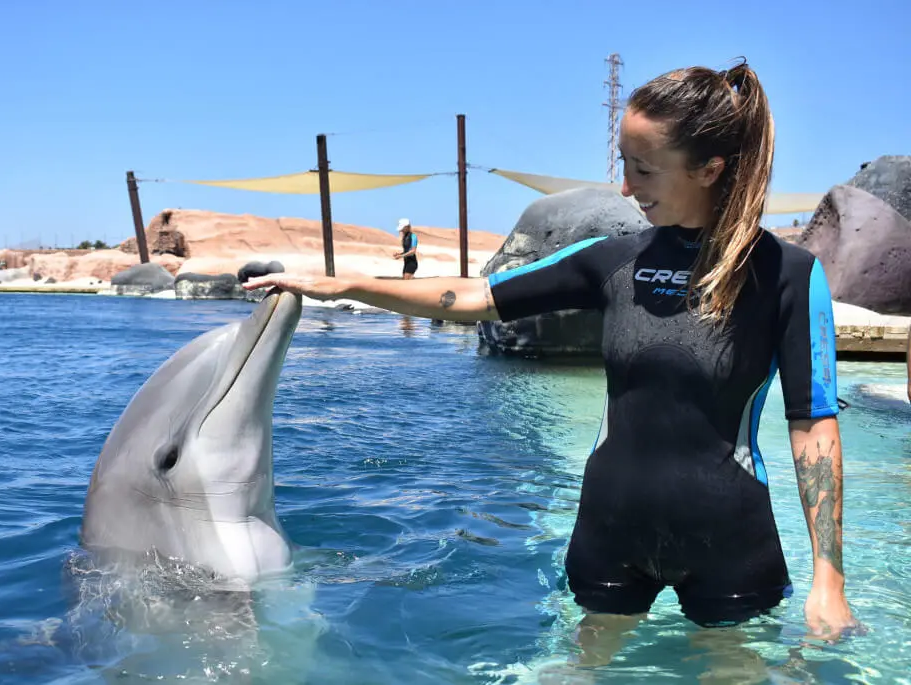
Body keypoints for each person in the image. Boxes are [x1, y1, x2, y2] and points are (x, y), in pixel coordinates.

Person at [244, 60, 858, 642]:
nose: (626, 187)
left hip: (729, 540)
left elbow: (813, 424)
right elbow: (475, 296)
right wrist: (343, 284)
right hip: (610, 532)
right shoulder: (613, 259)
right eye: (623, 164)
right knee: (578, 667)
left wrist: (828, 581)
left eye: (644, 169)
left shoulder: (786, 274)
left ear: (709, 168)